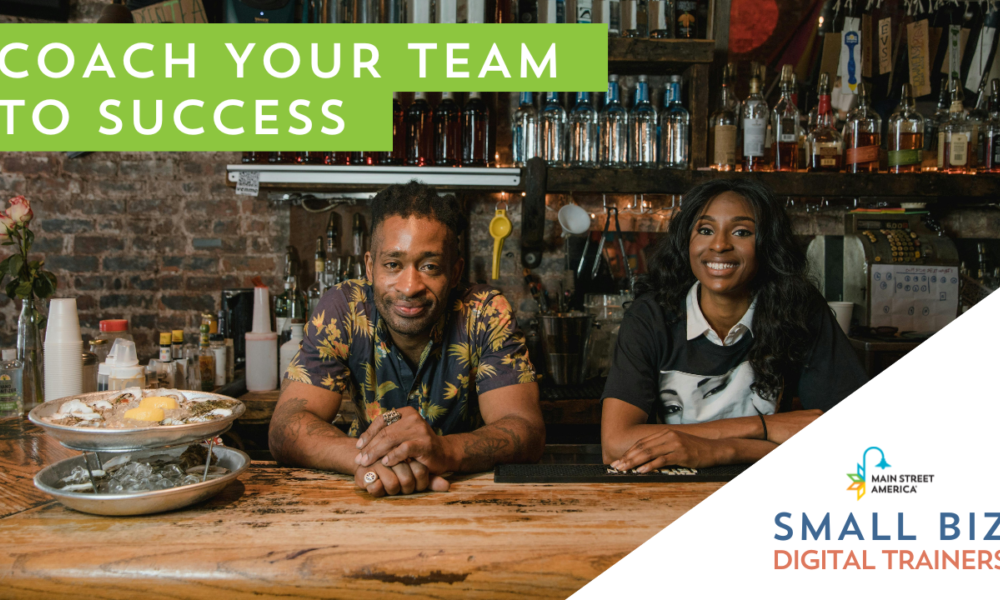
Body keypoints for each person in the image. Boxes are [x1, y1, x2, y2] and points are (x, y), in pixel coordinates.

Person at [270, 181, 545, 496]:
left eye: (430, 266)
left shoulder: (485, 313)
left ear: (455, 273)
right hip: (368, 491)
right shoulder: (344, 308)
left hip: (464, 495)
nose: (410, 286)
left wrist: (444, 451)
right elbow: (285, 427)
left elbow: (526, 429)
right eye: (392, 265)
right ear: (370, 267)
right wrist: (367, 460)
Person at [601, 178, 867, 471]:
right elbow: (615, 443)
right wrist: (765, 428)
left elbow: (852, 438)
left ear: (767, 244)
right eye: (705, 230)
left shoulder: (799, 310)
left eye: (741, 232)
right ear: (686, 241)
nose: (719, 245)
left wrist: (721, 451)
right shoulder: (651, 317)